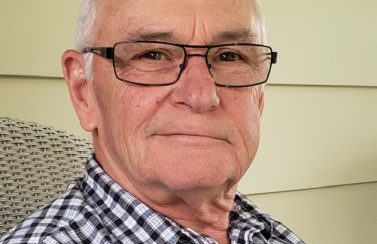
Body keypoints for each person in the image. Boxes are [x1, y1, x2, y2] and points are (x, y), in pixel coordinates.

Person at [1, 0, 304, 243]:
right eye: (153, 55)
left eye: (230, 57)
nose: (201, 96)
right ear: (84, 92)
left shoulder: (261, 230)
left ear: (260, 97)